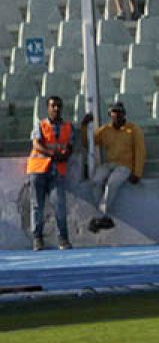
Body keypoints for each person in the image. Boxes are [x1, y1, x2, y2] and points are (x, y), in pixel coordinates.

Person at [27, 94, 78, 251]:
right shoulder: (40, 125)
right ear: (48, 108)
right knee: (37, 205)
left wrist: (65, 155)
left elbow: (70, 146)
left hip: (57, 171)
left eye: (58, 106)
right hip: (38, 169)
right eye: (53, 106)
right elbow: (37, 145)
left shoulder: (68, 127)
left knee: (59, 205)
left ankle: (63, 239)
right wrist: (52, 154)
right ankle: (37, 239)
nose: (56, 108)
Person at [85, 100, 146, 233]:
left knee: (111, 184)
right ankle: (104, 217)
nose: (117, 115)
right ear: (110, 114)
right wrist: (85, 126)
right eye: (114, 112)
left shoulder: (133, 130)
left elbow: (140, 151)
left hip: (125, 166)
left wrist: (137, 173)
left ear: (124, 114)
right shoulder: (106, 130)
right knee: (95, 181)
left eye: (119, 112)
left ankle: (100, 216)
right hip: (109, 164)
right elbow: (88, 142)